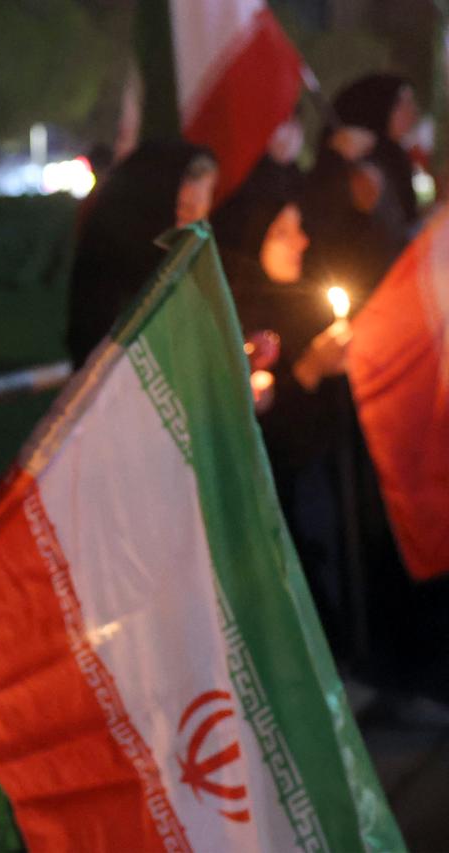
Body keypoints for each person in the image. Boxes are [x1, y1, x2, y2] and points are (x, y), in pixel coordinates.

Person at [213, 176, 351, 647]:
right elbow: (256, 425)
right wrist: (307, 371)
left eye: (299, 228)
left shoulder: (302, 305)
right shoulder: (235, 316)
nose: (302, 241)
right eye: (283, 232)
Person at [65, 140, 218, 368]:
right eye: (184, 210)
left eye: (201, 214)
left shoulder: (190, 274)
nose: (195, 228)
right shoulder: (115, 291)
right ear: (150, 206)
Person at [300, 75, 419, 302]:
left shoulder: (395, 160)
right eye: (403, 104)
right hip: (358, 289)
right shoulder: (347, 161)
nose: (412, 114)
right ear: (380, 107)